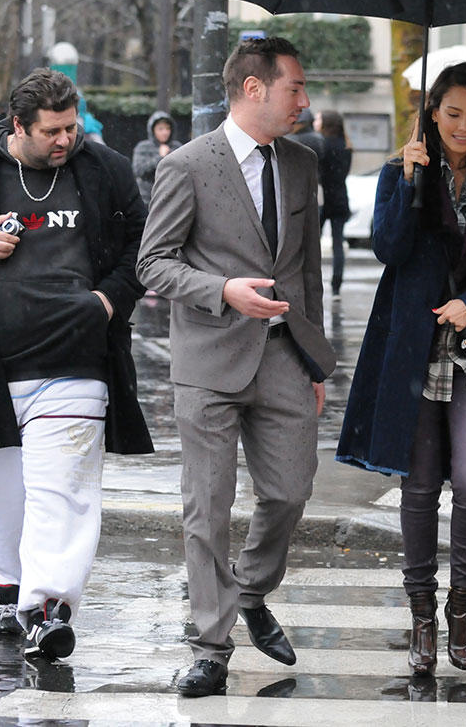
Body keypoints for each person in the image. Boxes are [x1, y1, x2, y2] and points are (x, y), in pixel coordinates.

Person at [0, 68, 153, 662]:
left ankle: (47, 610)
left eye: (71, 127)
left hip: (76, 359)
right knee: (0, 494)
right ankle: (6, 589)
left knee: (62, 490)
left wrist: (106, 300)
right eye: (52, 132)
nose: (66, 140)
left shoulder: (105, 170)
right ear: (18, 127)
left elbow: (143, 244)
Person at [136, 37, 335, 698]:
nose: (304, 101)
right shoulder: (189, 164)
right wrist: (222, 290)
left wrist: (314, 361)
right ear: (255, 89)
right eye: (294, 88)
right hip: (209, 356)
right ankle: (212, 644)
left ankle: (249, 590)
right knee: (208, 506)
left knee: (290, 491)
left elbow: (305, 270)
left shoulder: (303, 164)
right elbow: (153, 262)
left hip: (283, 354)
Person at [335, 62, 466, 676]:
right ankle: (421, 609)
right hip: (414, 348)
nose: (464, 127)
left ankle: (461, 604)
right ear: (432, 112)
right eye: (453, 114)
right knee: (419, 484)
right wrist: (411, 180)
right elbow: (389, 249)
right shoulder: (404, 172)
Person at [316, 109, 352, 296]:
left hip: (323, 197)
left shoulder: (322, 143)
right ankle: (336, 284)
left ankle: (313, 282)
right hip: (340, 196)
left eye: (318, 118)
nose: (316, 121)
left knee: (314, 243)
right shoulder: (346, 144)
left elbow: (321, 172)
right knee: (338, 244)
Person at [132, 111, 182, 202]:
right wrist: (160, 157)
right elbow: (139, 171)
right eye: (160, 129)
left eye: (167, 128)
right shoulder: (143, 147)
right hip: (147, 198)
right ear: (152, 130)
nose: (165, 132)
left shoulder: (177, 147)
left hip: (171, 197)